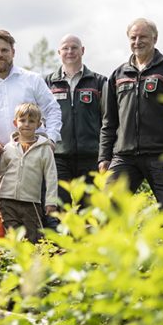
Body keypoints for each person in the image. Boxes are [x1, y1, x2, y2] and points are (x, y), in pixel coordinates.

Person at [98, 18, 163, 212]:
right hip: (124, 155)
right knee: (107, 209)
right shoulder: (118, 74)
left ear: (155, 38)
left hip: (162, 155)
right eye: (133, 37)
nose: (137, 41)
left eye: (143, 37)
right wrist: (104, 157)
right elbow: (109, 121)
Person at [0, 29, 62, 222]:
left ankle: (45, 251)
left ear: (13, 52)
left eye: (4, 50)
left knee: (40, 214)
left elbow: (52, 109)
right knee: (1, 216)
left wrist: (50, 140)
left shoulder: (31, 80)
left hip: (33, 158)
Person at [45, 34, 107, 209]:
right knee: (59, 209)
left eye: (74, 47)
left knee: (88, 210)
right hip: (58, 156)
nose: (70, 51)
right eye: (65, 48)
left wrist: (105, 153)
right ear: (59, 52)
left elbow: (108, 120)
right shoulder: (48, 83)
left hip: (91, 156)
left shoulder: (99, 82)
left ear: (83, 50)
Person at [0, 103, 58, 243]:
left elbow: (51, 176)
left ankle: (36, 264)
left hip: (31, 202)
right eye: (22, 120)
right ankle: (14, 263)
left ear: (39, 124)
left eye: (31, 121)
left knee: (34, 238)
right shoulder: (9, 148)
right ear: (15, 122)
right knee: (13, 238)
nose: (26, 124)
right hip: (7, 200)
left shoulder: (44, 148)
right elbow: (1, 174)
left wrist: (51, 202)